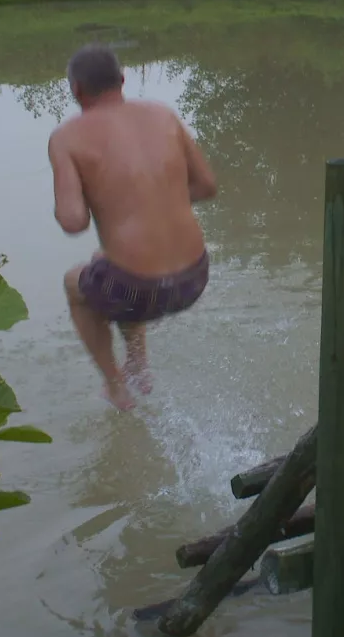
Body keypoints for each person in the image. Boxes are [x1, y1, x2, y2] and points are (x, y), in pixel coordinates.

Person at [49, 44, 218, 409]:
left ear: (76, 90)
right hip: (195, 278)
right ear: (122, 81)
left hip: (137, 291)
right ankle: (139, 364)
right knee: (103, 261)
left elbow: (73, 221)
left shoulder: (66, 137)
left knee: (74, 283)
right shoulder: (164, 115)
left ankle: (116, 386)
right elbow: (206, 186)